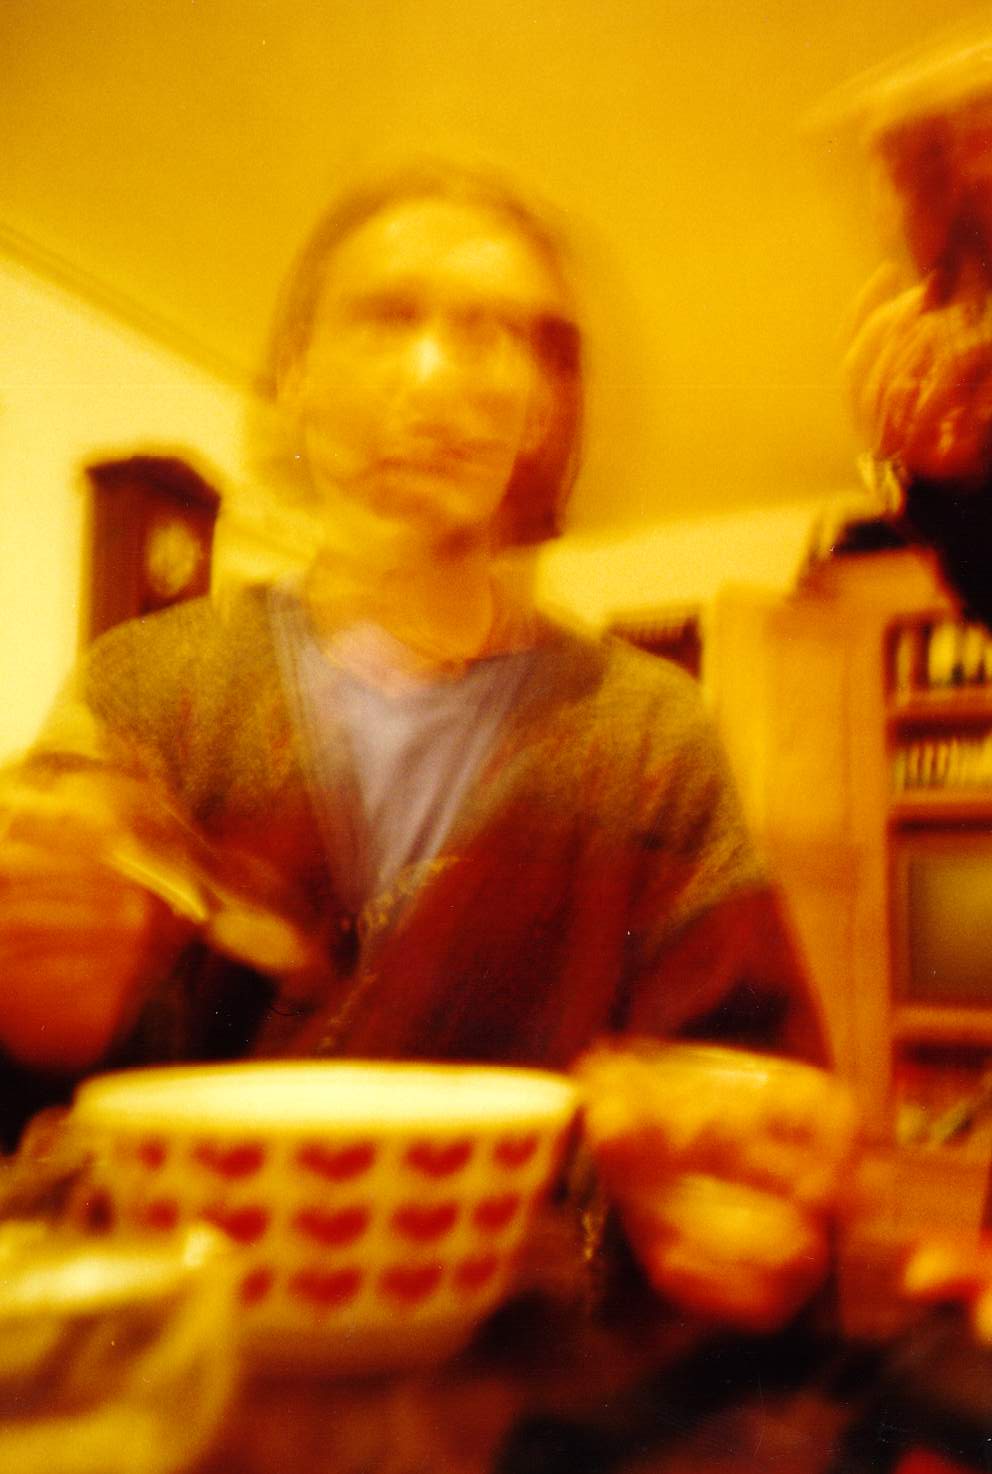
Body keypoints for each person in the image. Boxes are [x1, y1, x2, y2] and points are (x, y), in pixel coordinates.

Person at [0, 162, 857, 1333]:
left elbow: (752, 1098)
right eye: (387, 317)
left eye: (497, 334)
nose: (437, 376)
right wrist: (34, 1004)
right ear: (296, 373)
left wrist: (734, 1186)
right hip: (181, 1365)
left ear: (541, 410)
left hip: (514, 1375)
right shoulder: (145, 692)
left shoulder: (647, 737)